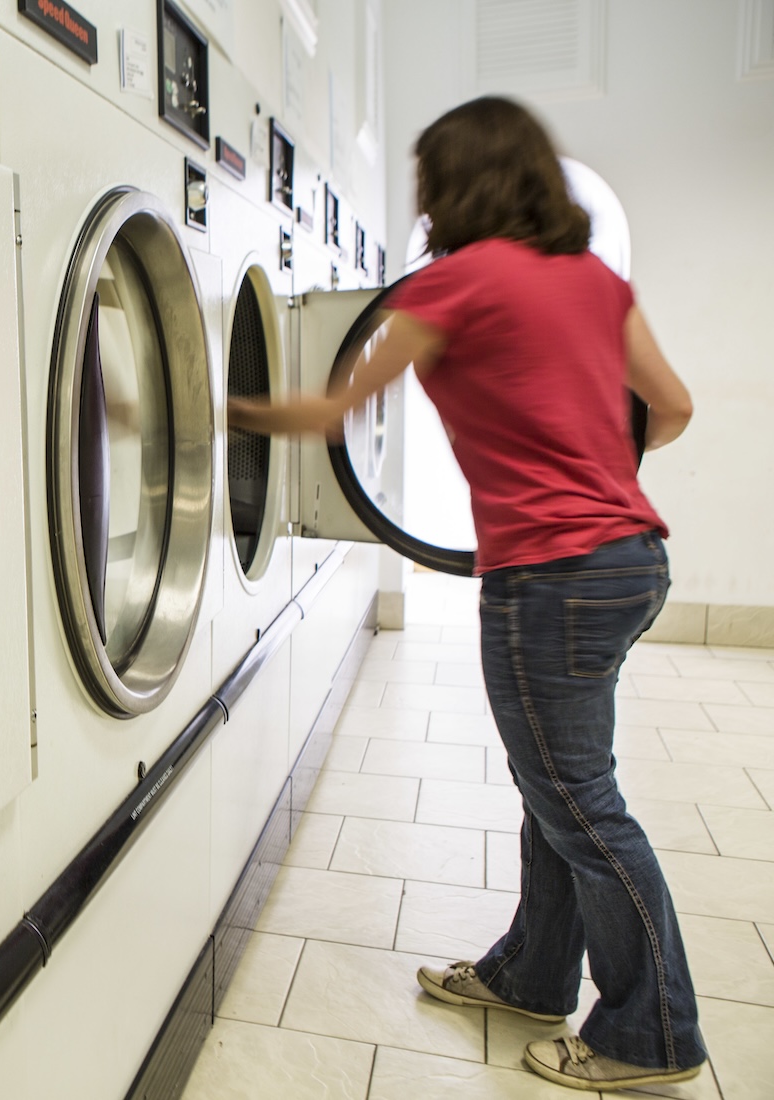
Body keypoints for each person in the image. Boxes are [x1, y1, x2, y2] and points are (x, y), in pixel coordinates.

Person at [228, 96, 702, 1092]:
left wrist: (207, 404)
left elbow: (331, 407)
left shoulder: (448, 286)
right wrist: (592, 473)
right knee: (559, 787)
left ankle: (648, 1033)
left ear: (450, 185)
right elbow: (672, 407)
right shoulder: (594, 281)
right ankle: (531, 972)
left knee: (581, 804)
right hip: (629, 560)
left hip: (546, 575)